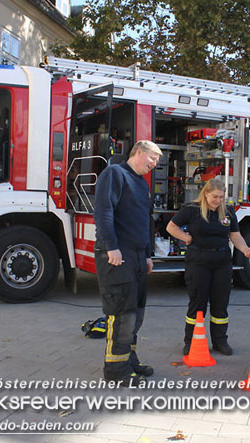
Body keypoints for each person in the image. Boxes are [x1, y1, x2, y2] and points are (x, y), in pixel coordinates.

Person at [93, 140, 163, 386]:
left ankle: (128, 360)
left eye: (157, 161)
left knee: (135, 313)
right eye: (152, 158)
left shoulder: (141, 183)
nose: (154, 164)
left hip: (135, 255)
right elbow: (103, 212)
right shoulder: (114, 174)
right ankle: (116, 371)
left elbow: (143, 222)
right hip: (117, 254)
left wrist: (146, 254)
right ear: (139, 152)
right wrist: (111, 246)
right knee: (122, 313)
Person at [166, 178, 250, 356]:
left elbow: (235, 235)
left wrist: (245, 249)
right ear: (205, 194)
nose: (218, 201)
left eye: (221, 197)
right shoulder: (191, 210)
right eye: (215, 197)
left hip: (222, 261)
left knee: (220, 304)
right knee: (197, 304)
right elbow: (171, 227)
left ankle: (220, 341)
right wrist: (186, 238)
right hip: (198, 261)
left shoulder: (228, 212)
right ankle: (190, 341)